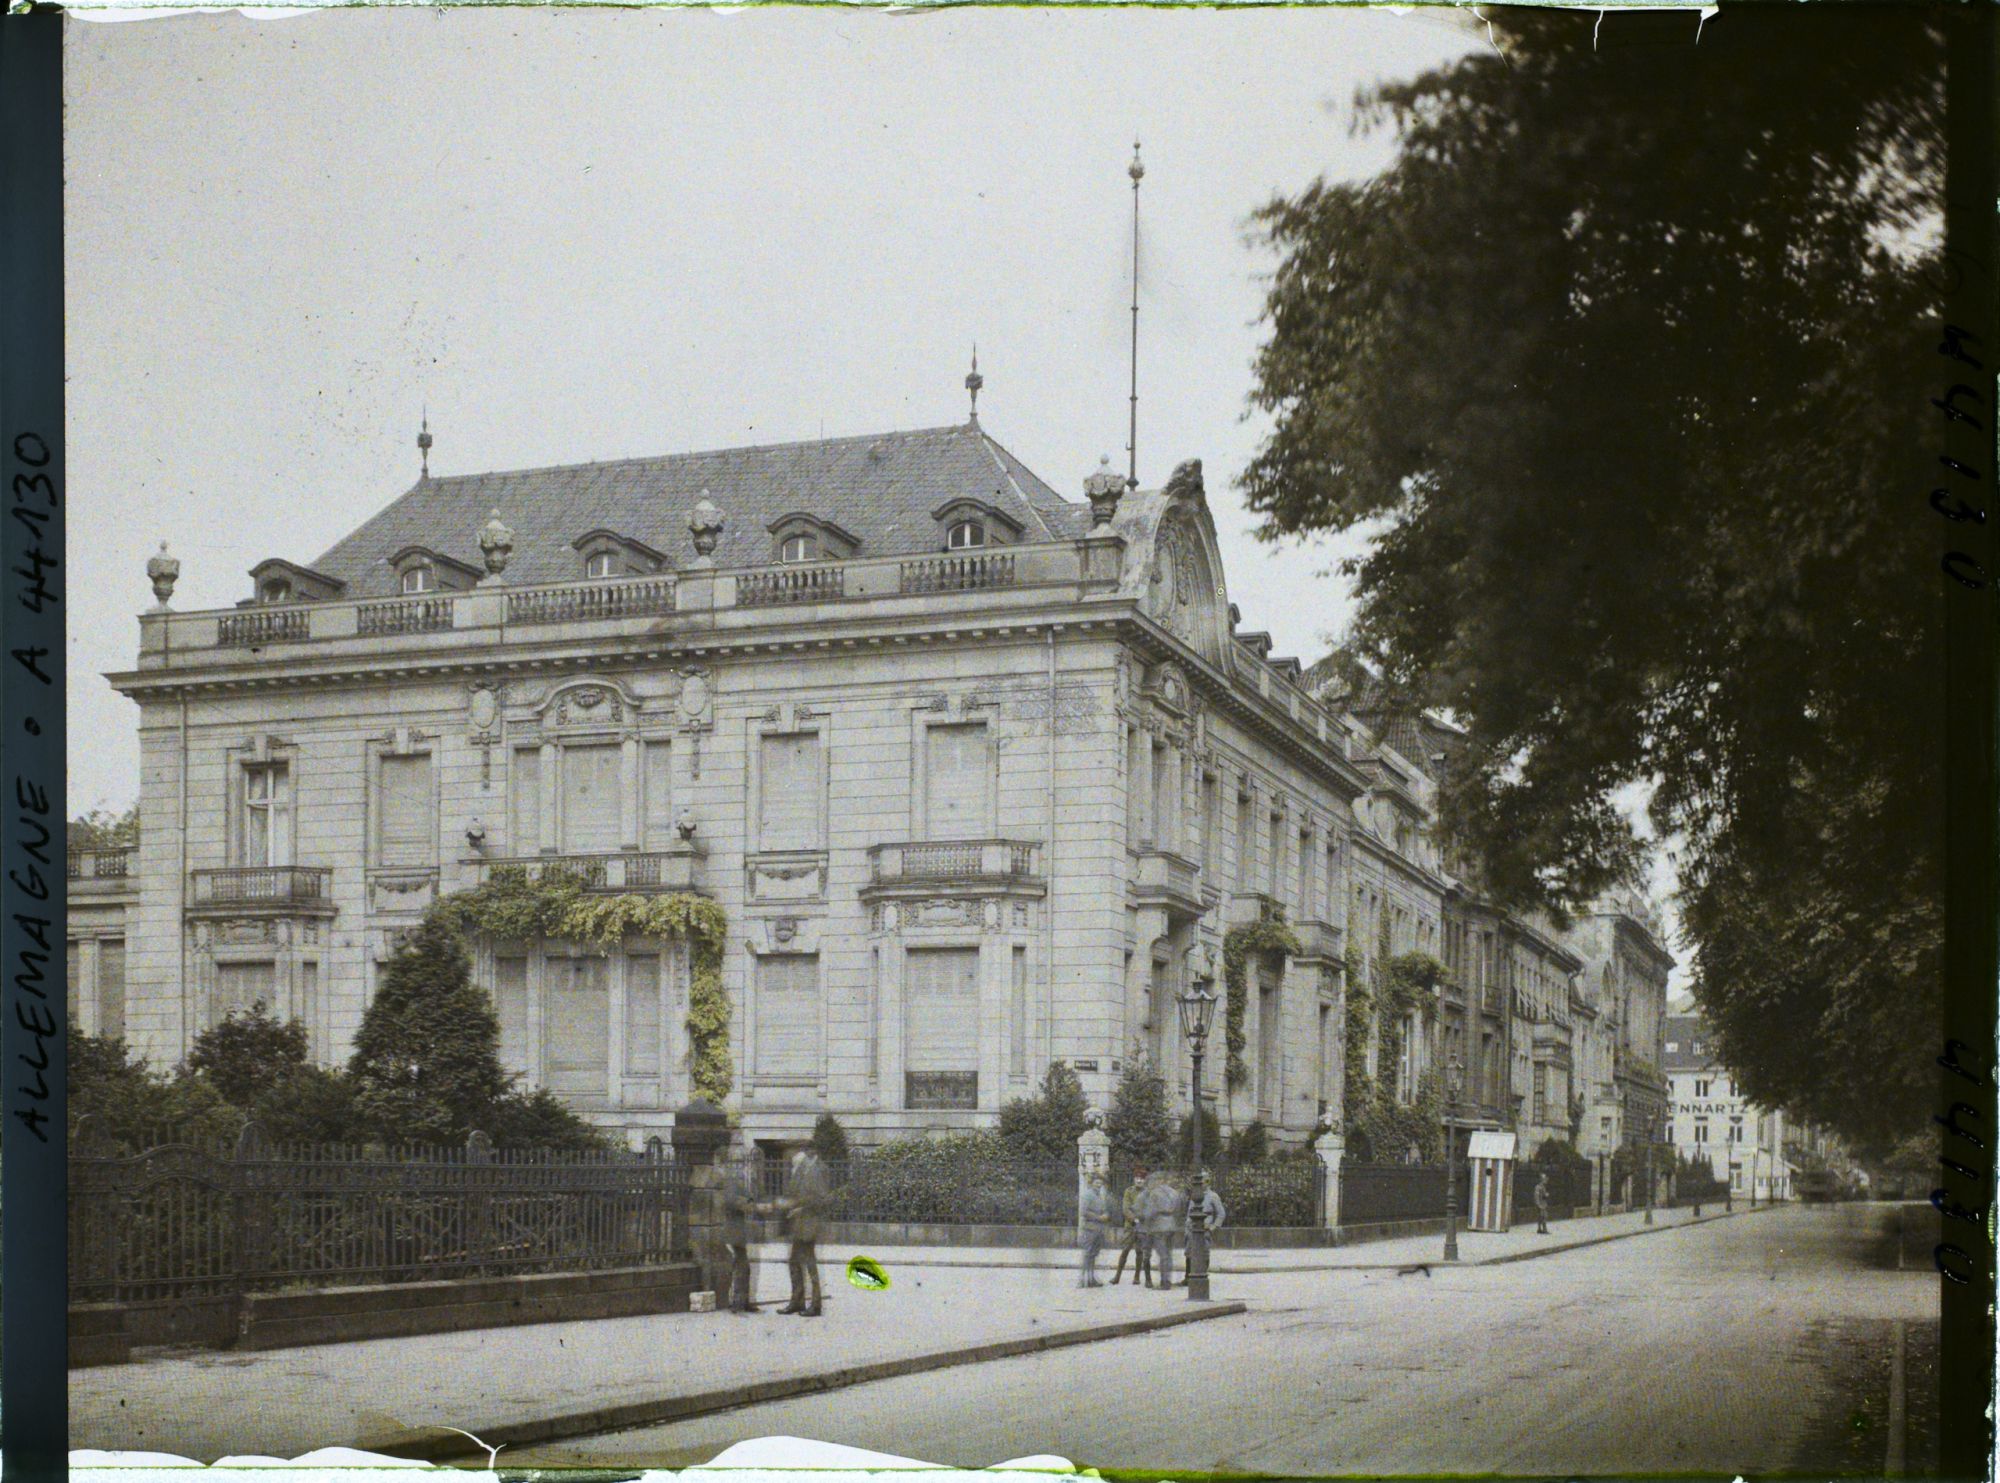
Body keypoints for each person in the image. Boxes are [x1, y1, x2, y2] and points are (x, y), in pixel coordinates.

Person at [778, 1150, 830, 1317]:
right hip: (800, 1226)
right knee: (794, 1262)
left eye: (798, 1165)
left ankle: (815, 1305)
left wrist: (800, 1209)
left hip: (809, 1225)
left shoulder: (818, 1172)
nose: (796, 1168)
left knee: (809, 1264)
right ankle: (797, 1302)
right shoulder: (805, 1174)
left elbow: (821, 1200)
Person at [720, 1162, 759, 1314]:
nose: (742, 1168)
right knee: (739, 1267)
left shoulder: (742, 1182)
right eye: (739, 1165)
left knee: (744, 1267)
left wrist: (749, 1201)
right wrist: (746, 1203)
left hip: (739, 1231)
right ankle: (737, 1303)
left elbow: (750, 1199)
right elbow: (731, 1201)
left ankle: (743, 1301)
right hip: (732, 1230)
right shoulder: (730, 1182)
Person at [1178, 1169, 1226, 1285]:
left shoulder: (1213, 1196)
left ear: (1207, 1182)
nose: (1199, 1185)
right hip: (1191, 1227)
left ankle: (1203, 1276)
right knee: (1189, 1252)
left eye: (1201, 1182)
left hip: (1205, 1226)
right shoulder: (1194, 1195)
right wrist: (1187, 1225)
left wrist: (1213, 1227)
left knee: (1204, 1251)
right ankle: (1188, 1276)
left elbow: (1221, 1213)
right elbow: (1189, 1211)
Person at [1140, 1170, 1187, 1289]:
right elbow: (1179, 1211)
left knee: (1162, 1255)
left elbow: (1150, 1212)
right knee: (1168, 1254)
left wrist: (1145, 1220)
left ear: (1159, 1180)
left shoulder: (1155, 1193)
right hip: (1171, 1224)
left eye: (1154, 1180)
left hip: (1158, 1226)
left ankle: (1164, 1281)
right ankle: (1168, 1279)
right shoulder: (1175, 1192)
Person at [1110, 1165, 1152, 1286]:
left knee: (1140, 1252)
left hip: (1142, 1227)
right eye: (1137, 1178)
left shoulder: (1148, 1193)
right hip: (1130, 1226)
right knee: (1125, 1250)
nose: (1139, 1181)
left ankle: (1137, 1277)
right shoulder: (1129, 1191)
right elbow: (1126, 1208)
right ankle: (1117, 1276)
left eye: (1142, 1179)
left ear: (1145, 1180)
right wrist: (1134, 1219)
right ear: (1134, 1179)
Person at [1078, 1172, 1114, 1287]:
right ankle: (1082, 1279)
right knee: (1087, 1254)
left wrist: (1106, 1215)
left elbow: (1103, 1210)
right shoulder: (1088, 1195)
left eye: (1100, 1183)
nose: (1099, 1185)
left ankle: (1091, 1278)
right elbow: (1084, 1211)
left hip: (1098, 1229)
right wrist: (1099, 1217)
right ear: (1091, 1183)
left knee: (1093, 1254)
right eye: (1096, 1182)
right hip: (1089, 1228)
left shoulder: (1100, 1196)